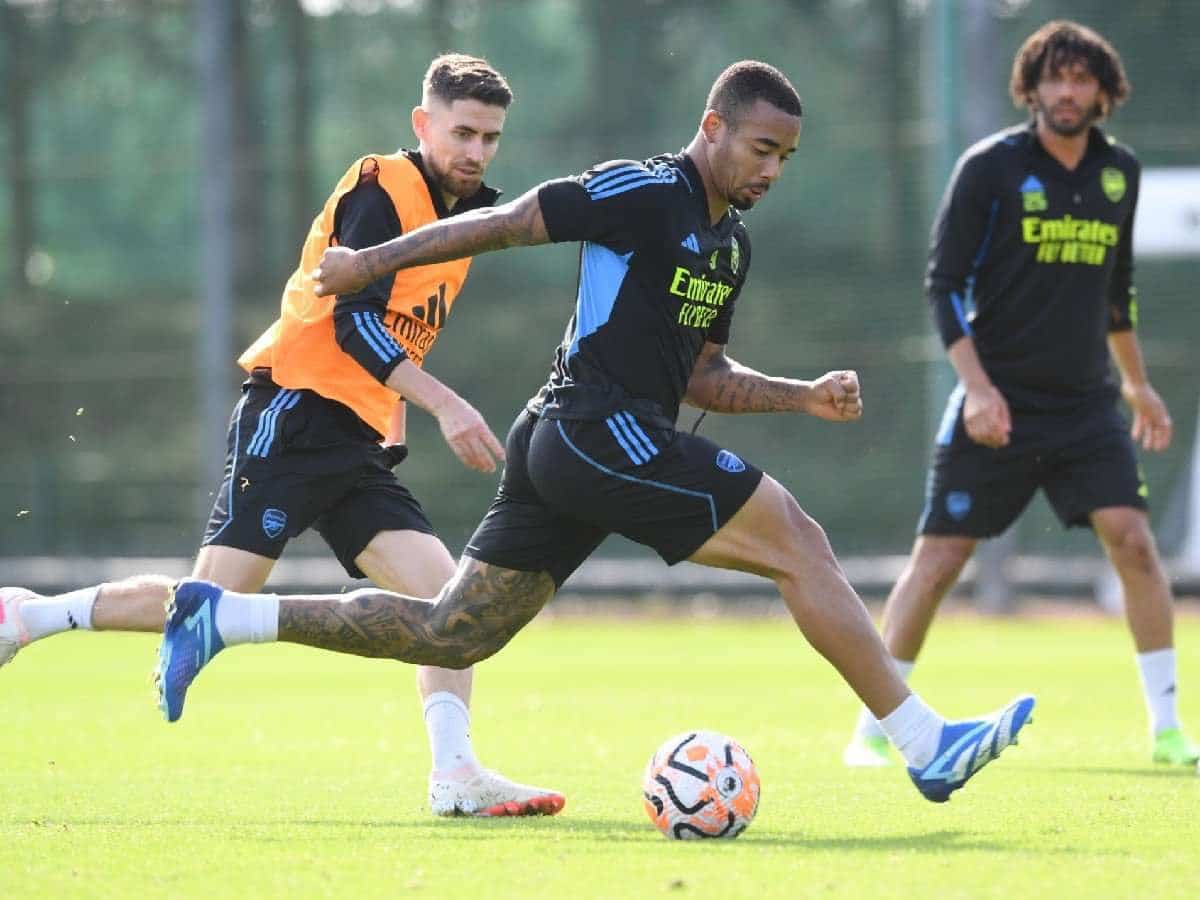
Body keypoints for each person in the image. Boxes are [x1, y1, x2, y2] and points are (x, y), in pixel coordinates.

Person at [153, 60, 1035, 804]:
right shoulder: (645, 188)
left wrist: (799, 396)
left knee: (454, 632)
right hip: (588, 426)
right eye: (762, 148)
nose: (772, 169)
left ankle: (225, 618)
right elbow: (504, 223)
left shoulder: (730, 249)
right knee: (799, 541)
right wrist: (367, 264)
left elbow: (704, 379)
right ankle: (922, 742)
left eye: (786, 158)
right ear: (713, 128)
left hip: (580, 446)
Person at [0, 53, 564, 818]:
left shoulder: (454, 219)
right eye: (462, 132)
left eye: (491, 137)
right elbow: (353, 321)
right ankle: (28, 617)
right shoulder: (383, 190)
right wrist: (445, 404)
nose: (476, 151)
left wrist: (392, 418)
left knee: (448, 605)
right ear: (422, 124)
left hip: (352, 443)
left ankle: (455, 772)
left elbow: (387, 334)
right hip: (294, 418)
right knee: (208, 601)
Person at [842, 21, 1198, 769]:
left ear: (1103, 91)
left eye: (1081, 79)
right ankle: (874, 730)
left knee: (1133, 543)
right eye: (1053, 78)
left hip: (1086, 407)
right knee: (937, 561)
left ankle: (1168, 731)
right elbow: (943, 287)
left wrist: (1138, 387)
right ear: (1031, 87)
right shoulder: (990, 168)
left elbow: (1116, 293)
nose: (1067, 91)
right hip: (995, 403)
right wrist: (976, 391)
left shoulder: (1119, 174)